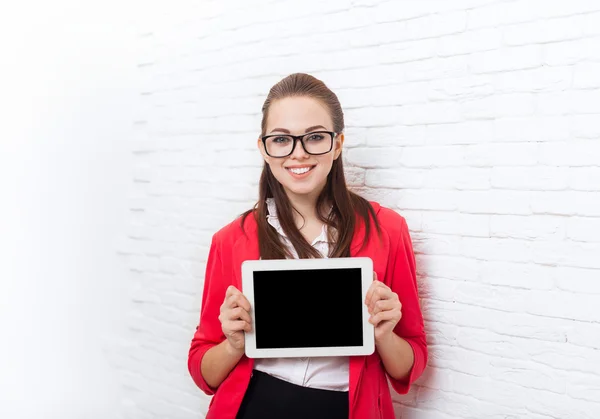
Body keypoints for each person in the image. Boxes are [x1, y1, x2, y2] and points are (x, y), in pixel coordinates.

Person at [188, 73, 427, 419]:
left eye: (315, 137)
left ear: (338, 143)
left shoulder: (387, 230)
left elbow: (410, 367)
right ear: (264, 149)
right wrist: (233, 344)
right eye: (281, 139)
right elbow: (203, 371)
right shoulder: (230, 239)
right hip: (254, 404)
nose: (298, 154)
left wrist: (385, 334)